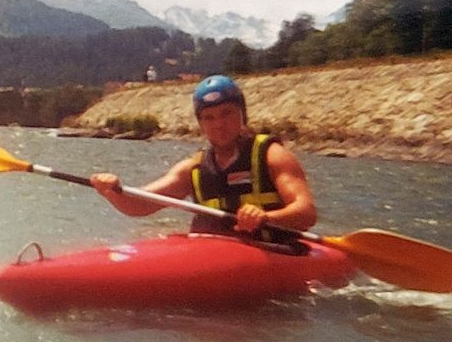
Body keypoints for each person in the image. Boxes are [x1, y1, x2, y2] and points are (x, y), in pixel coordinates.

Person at [90, 75, 318, 238]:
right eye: (209, 118)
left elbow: (306, 213)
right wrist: (113, 190)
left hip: (271, 252)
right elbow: (139, 205)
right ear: (201, 124)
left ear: (242, 114)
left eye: (227, 113)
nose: (219, 124)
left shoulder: (272, 155)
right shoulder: (194, 168)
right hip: (212, 253)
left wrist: (265, 218)